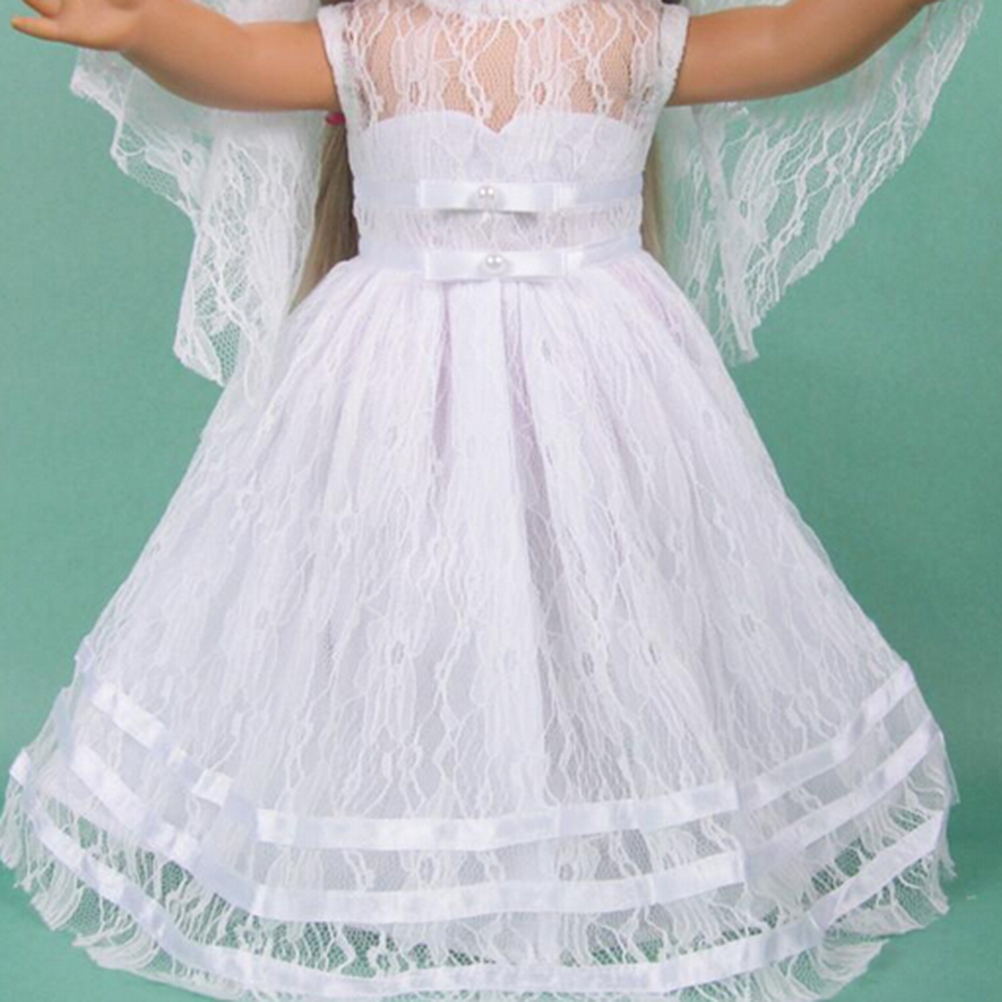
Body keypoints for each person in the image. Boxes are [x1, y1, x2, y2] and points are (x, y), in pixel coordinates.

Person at [0, 2, 983, 1001]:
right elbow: (244, 59)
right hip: (394, 371)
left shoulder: (625, 30)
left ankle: (577, 835)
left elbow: (785, 43)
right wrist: (147, 29)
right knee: (401, 600)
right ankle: (408, 839)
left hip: (599, 370)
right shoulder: (375, 32)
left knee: (604, 592)